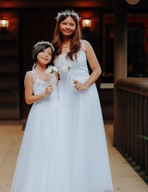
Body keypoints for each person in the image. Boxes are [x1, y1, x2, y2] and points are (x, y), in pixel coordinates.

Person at [52, 9, 113, 192]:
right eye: (65, 23)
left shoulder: (84, 44)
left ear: (76, 26)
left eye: (72, 24)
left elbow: (97, 70)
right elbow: (51, 72)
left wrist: (86, 85)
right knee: (64, 132)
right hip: (63, 93)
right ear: (59, 25)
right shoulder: (53, 47)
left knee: (84, 133)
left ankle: (86, 180)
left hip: (84, 94)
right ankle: (65, 177)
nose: (68, 27)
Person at [10, 41, 69, 192]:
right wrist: (44, 94)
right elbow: (28, 99)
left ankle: (55, 183)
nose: (46, 55)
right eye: (43, 52)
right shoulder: (30, 75)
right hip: (40, 113)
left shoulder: (54, 71)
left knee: (56, 146)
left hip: (56, 111)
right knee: (40, 147)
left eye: (49, 53)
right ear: (36, 53)